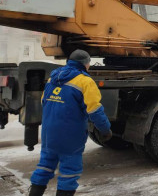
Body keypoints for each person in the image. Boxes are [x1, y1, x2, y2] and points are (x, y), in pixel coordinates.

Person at [28, 50, 112, 196]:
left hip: (49, 134)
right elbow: (95, 111)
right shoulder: (85, 81)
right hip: (70, 135)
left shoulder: (52, 78)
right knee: (69, 172)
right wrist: (105, 130)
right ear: (85, 64)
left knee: (45, 166)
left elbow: (44, 102)